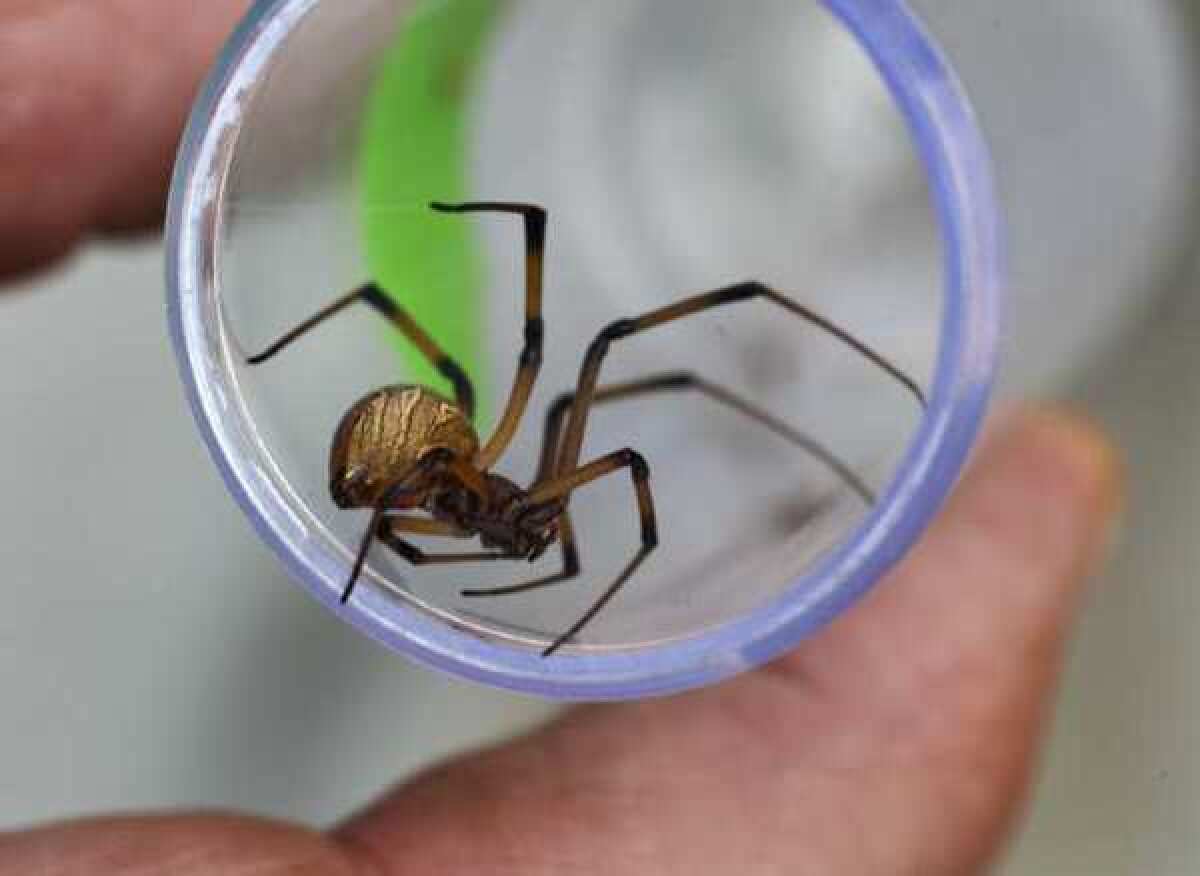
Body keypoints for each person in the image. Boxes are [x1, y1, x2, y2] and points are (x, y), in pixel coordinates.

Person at [0, 3, 1123, 873]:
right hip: (398, 444)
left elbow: (581, 527)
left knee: (627, 384)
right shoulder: (448, 474)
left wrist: (556, 605)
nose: (537, 531)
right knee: (566, 363)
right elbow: (487, 496)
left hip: (413, 460)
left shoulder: (515, 500)